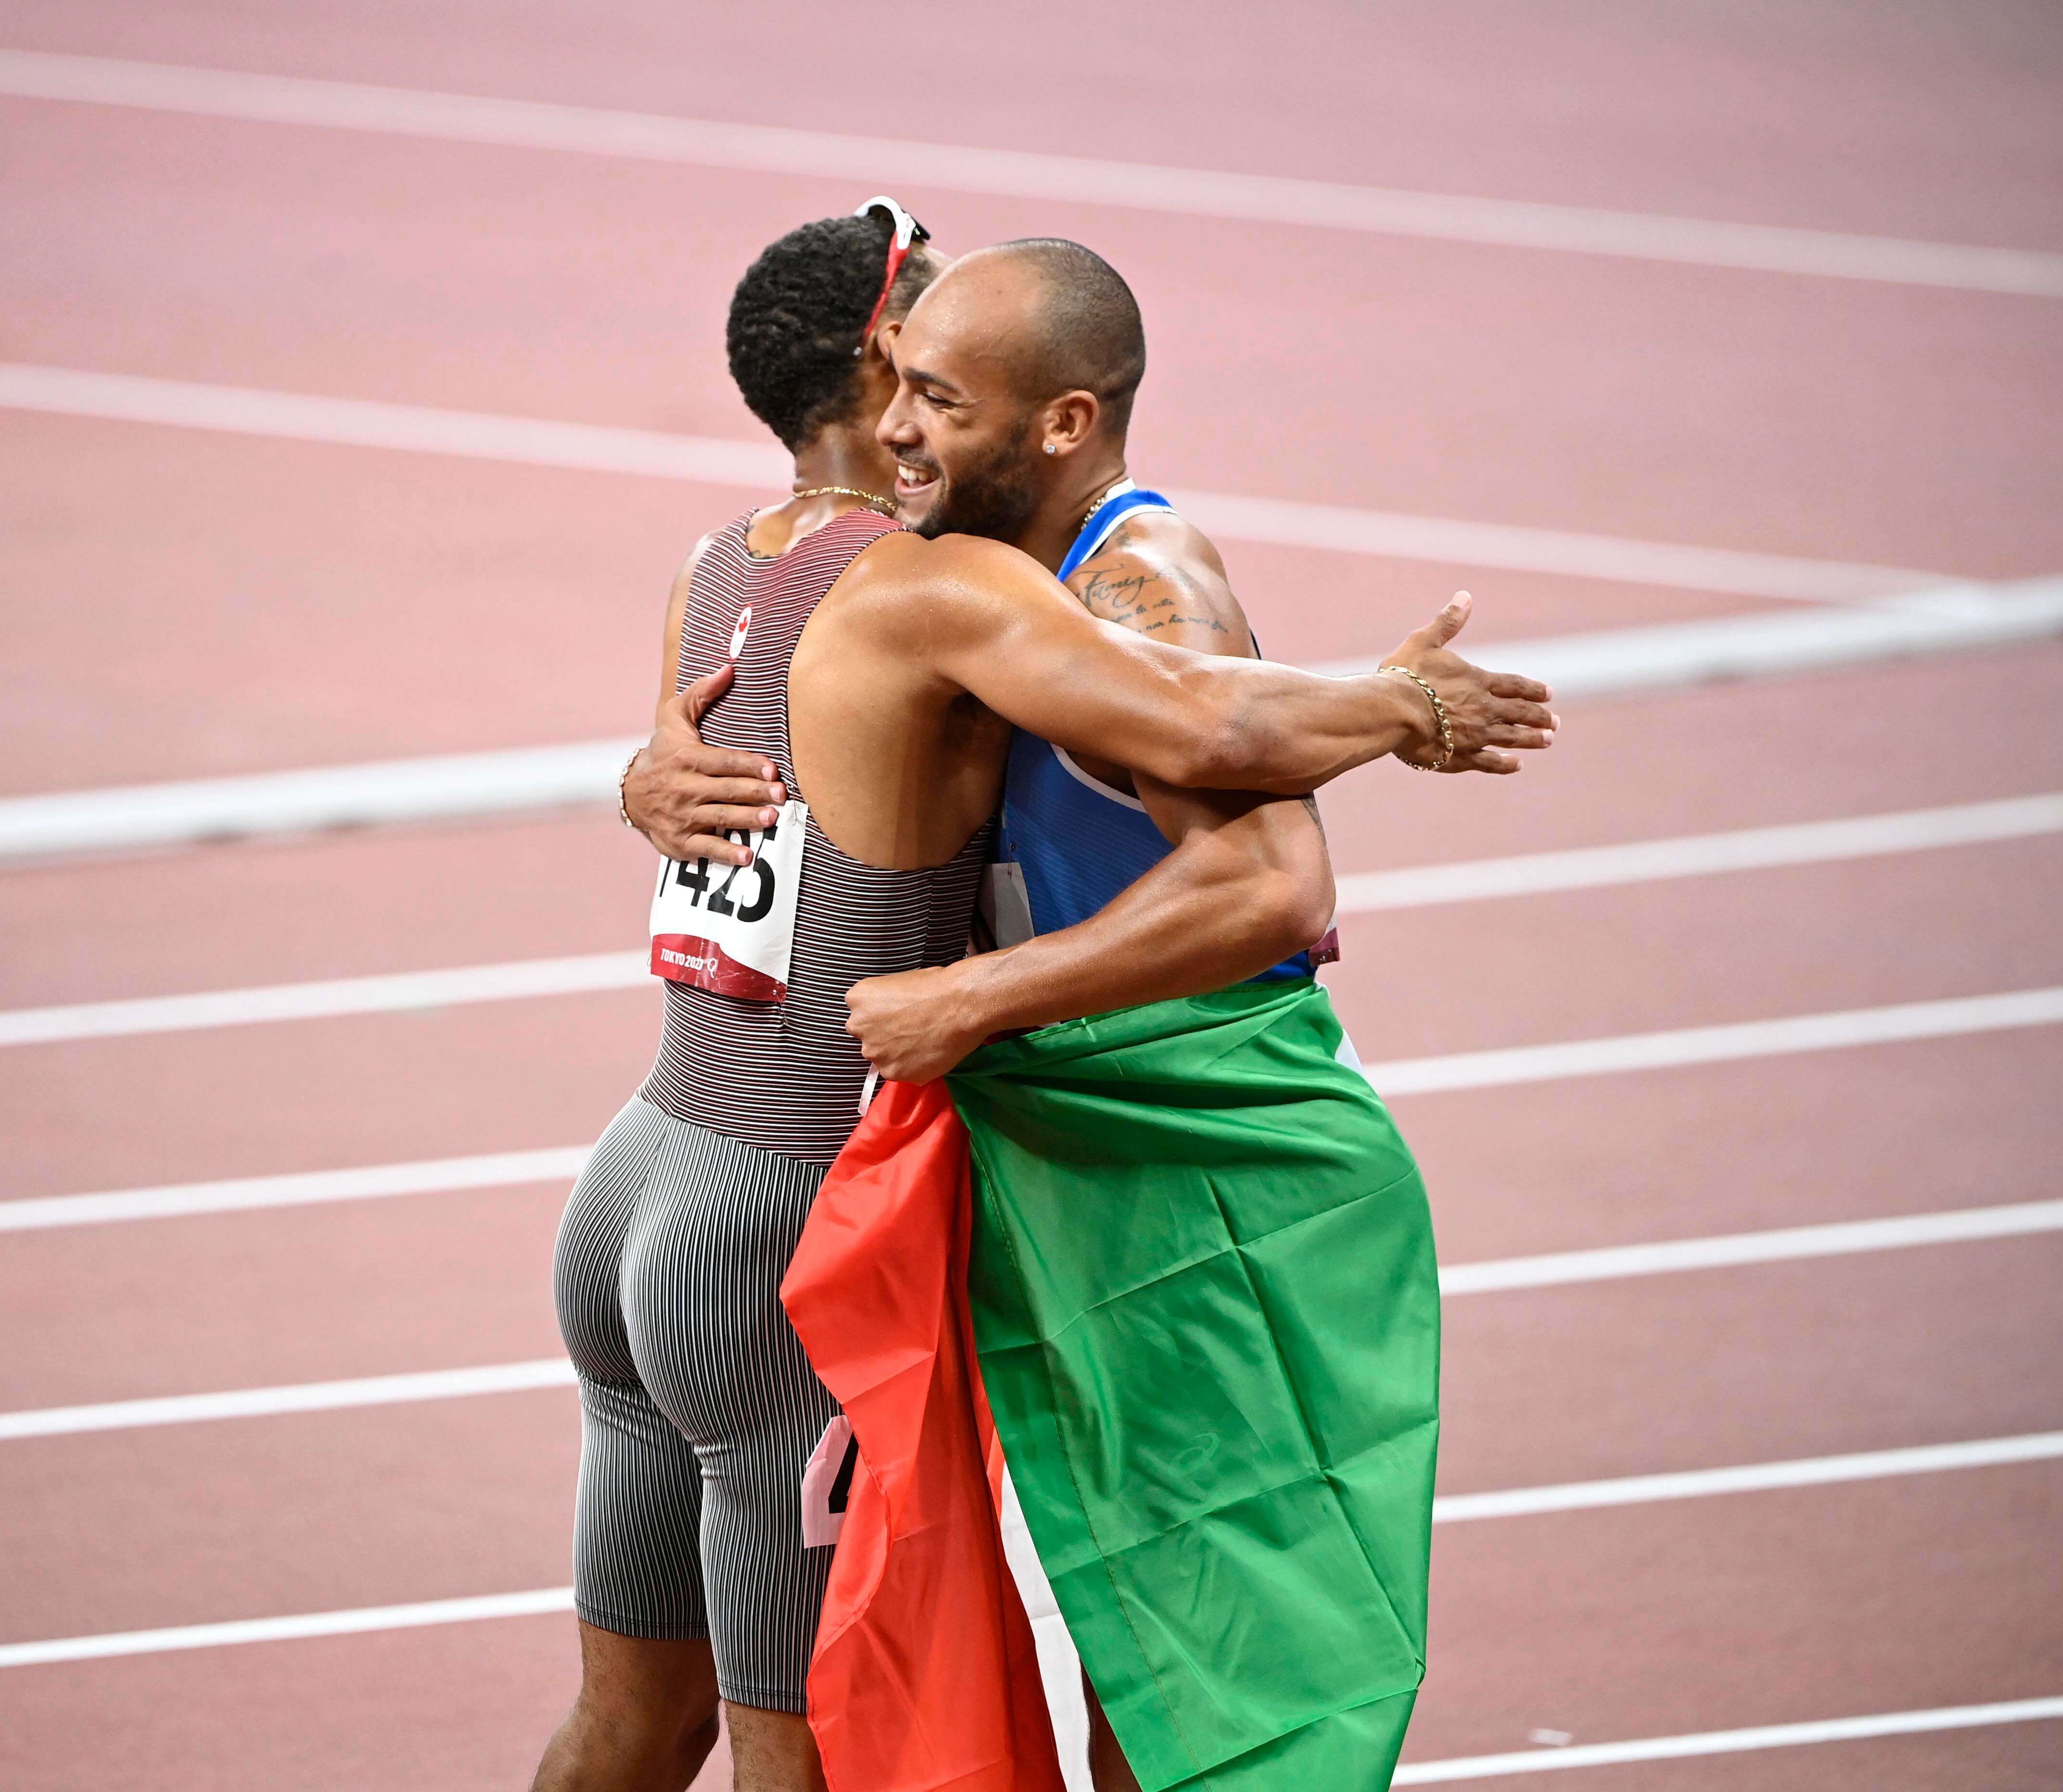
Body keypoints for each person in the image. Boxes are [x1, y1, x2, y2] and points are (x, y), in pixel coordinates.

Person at [536, 204, 1551, 1792]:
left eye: (954, 388)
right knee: (852, 1742)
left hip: (679, 1173)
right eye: (920, 376)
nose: (919, 417)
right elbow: (1204, 732)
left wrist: (643, 788)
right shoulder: (946, 590)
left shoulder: (739, 568)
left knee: (647, 1722)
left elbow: (1262, 869)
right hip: (819, 1201)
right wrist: (1397, 702)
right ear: (879, 369)